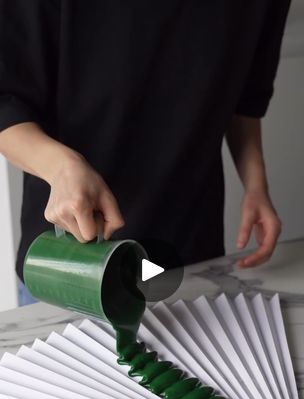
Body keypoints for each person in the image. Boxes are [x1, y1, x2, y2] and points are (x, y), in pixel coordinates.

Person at [0, 1, 290, 299]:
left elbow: (244, 96)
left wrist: (255, 184)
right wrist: (62, 168)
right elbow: (7, 101)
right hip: (70, 261)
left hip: (188, 253)